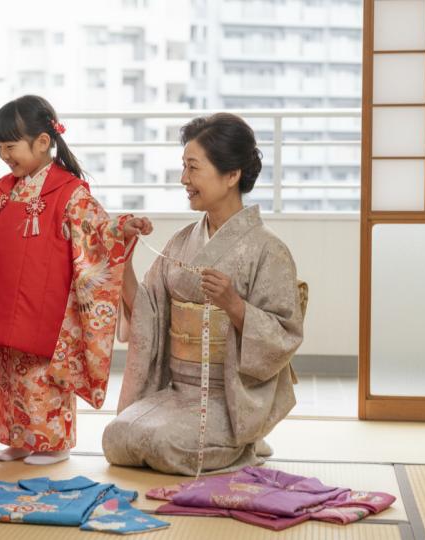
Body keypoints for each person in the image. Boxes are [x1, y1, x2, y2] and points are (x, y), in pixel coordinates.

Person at [102, 112, 304, 476]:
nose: (184, 179)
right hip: (177, 391)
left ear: (231, 175)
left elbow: (284, 335)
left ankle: (244, 438)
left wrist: (234, 305)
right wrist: (124, 259)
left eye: (193, 168)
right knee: (117, 437)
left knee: (165, 444)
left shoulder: (268, 249)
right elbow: (147, 312)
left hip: (228, 398)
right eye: (184, 167)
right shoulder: (182, 240)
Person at [0, 95, 152, 465]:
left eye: (10, 146)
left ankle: (54, 443)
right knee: (11, 371)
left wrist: (121, 228)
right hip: (4, 297)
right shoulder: (3, 190)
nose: (4, 155)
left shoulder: (69, 191)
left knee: (42, 373)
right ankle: (17, 437)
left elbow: (97, 230)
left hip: (46, 301)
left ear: (42, 142)